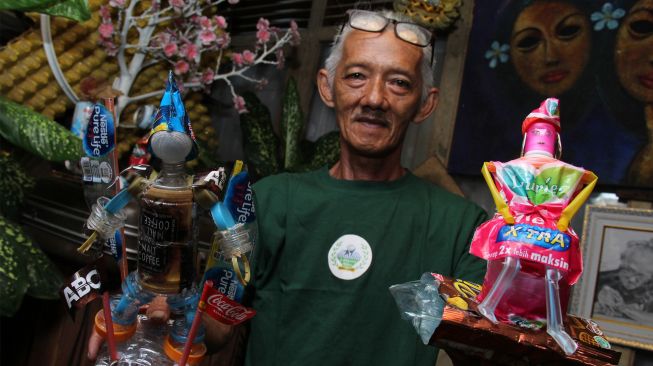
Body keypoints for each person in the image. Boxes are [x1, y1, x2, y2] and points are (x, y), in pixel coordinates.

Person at [88, 8, 488, 366]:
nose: (374, 98)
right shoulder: (271, 200)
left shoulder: (463, 227)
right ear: (327, 86)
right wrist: (156, 317)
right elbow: (217, 325)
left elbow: (482, 348)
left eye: (399, 83)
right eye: (356, 76)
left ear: (425, 103)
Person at [594, 238, 653, 323]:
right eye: (630, 270)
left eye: (641, 275)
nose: (632, 279)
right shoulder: (601, 278)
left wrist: (623, 308)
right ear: (623, 264)